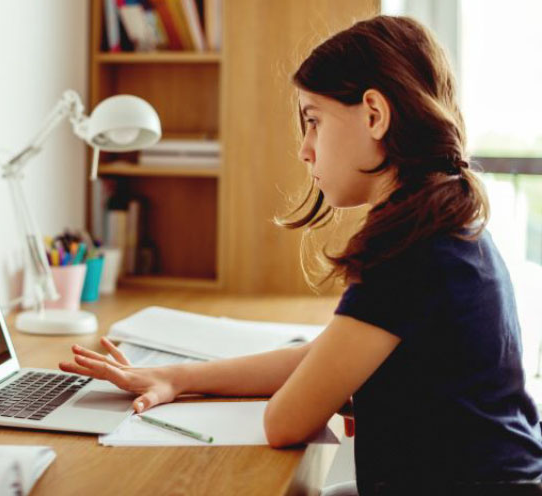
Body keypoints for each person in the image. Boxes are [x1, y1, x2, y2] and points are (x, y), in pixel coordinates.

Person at [59, 15, 542, 495]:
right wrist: (176, 377)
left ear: (374, 114)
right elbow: (324, 358)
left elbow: (284, 422)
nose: (305, 150)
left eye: (313, 120)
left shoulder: (410, 250)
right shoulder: (441, 222)